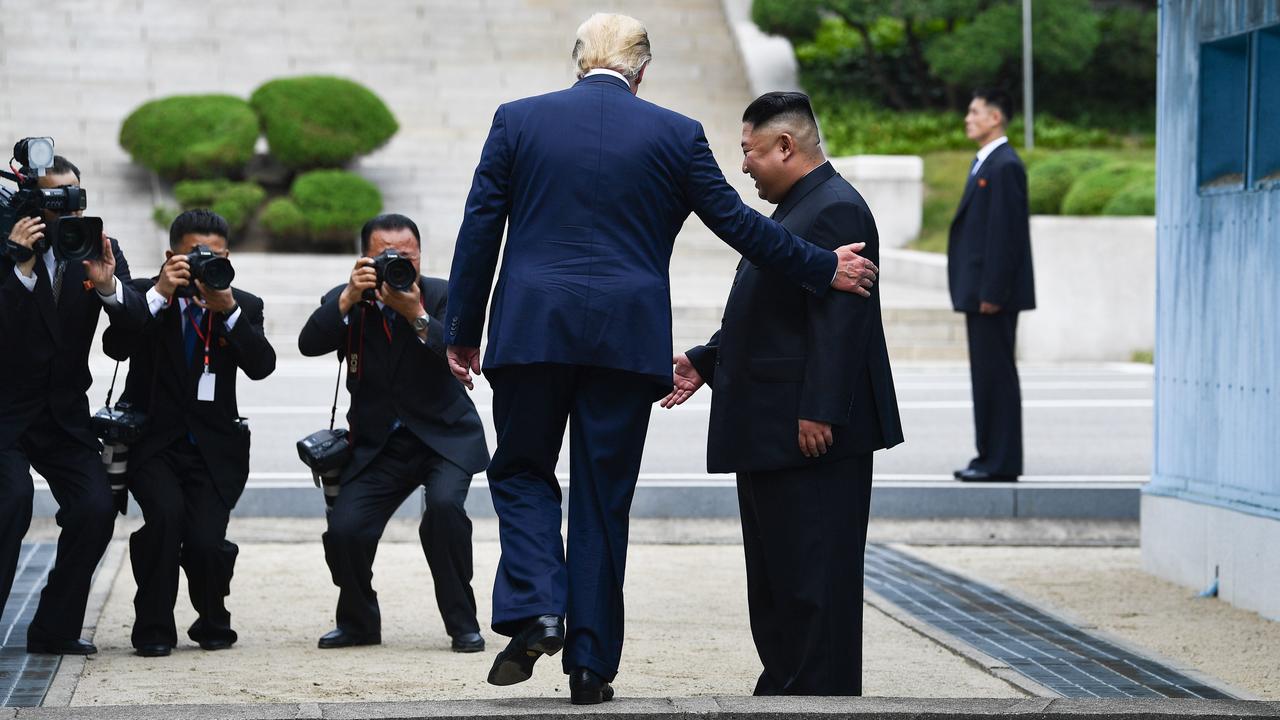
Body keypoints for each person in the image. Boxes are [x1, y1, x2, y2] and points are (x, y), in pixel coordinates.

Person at [444, 14, 879, 704]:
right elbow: (738, 223)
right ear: (642, 72)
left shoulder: (517, 121)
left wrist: (461, 329)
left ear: (578, 61)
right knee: (602, 497)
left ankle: (536, 605)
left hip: (532, 330)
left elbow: (479, 227)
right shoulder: (675, 134)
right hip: (625, 341)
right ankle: (589, 666)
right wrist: (821, 266)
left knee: (523, 470)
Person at [663, 92, 903, 695]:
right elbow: (771, 309)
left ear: (785, 147)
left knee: (813, 573)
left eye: (749, 151)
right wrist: (705, 359)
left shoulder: (836, 209)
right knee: (778, 571)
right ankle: (788, 681)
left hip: (809, 431)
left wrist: (820, 410)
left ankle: (816, 691)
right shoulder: (800, 207)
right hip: (774, 426)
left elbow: (842, 322)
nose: (744, 165)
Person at [298, 213, 489, 654]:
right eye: (385, 255)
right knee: (345, 530)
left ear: (419, 255)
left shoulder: (444, 294)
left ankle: (463, 624)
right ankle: (359, 621)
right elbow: (309, 343)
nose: (396, 262)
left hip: (444, 436)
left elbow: (458, 353)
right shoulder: (351, 298)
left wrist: (416, 315)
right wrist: (347, 297)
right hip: (379, 443)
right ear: (365, 257)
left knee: (443, 513)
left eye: (406, 255)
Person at [101, 209, 276, 657]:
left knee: (204, 540)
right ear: (170, 255)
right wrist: (160, 293)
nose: (202, 264)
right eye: (193, 255)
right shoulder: (143, 295)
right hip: (152, 442)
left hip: (215, 449)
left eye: (213, 256)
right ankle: (154, 627)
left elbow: (262, 366)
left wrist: (230, 311)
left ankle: (213, 618)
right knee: (164, 520)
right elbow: (115, 346)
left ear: (228, 256)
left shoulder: (243, 303)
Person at [0, 154, 147, 655]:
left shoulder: (98, 249)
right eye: (52, 200)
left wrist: (109, 287)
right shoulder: (5, 251)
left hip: (63, 413)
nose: (64, 211)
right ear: (28, 201)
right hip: (4, 412)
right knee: (10, 502)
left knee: (95, 507)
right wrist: (18, 267)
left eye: (73, 199)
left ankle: (54, 629)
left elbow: (129, 339)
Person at [948, 89, 1036, 483]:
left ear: (996, 118)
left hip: (991, 296)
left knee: (996, 377)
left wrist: (992, 293)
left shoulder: (1004, 165)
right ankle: (988, 457)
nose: (968, 118)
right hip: (980, 292)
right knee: (986, 377)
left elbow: (1006, 234)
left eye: (975, 111)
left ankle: (999, 462)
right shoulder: (986, 162)